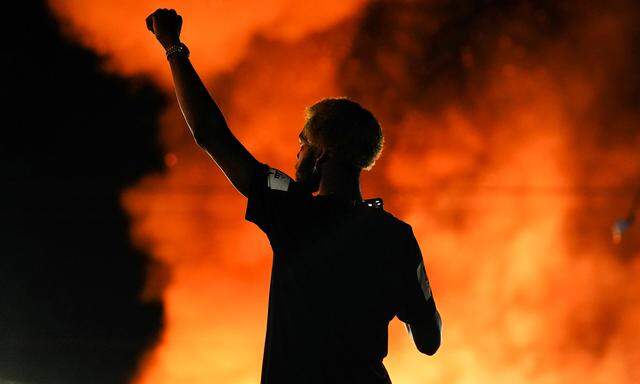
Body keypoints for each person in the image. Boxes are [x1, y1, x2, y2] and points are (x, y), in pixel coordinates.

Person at [146, 8, 442, 383]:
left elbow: (211, 134)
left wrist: (172, 46)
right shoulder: (396, 236)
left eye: (302, 143)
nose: (297, 153)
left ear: (321, 154)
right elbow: (429, 340)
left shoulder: (295, 211)